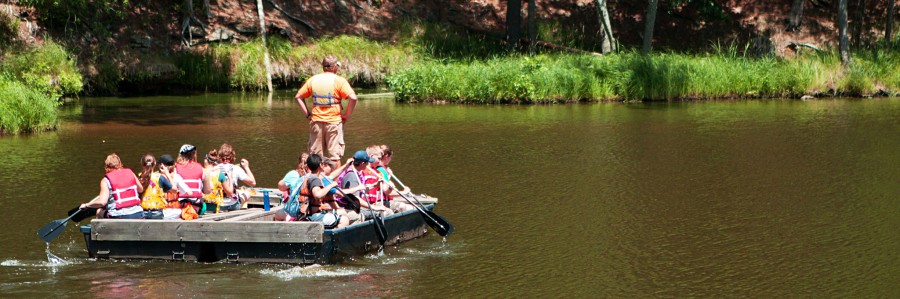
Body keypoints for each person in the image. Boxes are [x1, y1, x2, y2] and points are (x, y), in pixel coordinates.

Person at [294, 55, 359, 164]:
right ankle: (336, 180)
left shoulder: (313, 80)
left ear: (323, 67)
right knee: (335, 157)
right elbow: (353, 98)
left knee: (315, 157)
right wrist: (346, 116)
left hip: (316, 122)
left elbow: (298, 97)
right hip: (334, 123)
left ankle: (315, 179)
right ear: (334, 67)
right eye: (337, 66)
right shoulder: (339, 81)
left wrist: (308, 115)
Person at [78, 153, 145, 219]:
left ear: (106, 167)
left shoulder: (105, 180)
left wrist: (87, 205)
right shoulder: (130, 173)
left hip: (119, 216)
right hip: (138, 213)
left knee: (99, 212)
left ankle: (100, 230)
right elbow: (140, 189)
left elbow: (102, 202)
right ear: (120, 164)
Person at [277, 154, 333, 222]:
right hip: (307, 213)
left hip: (297, 210)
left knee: (277, 215)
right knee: (342, 218)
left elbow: (280, 186)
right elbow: (317, 195)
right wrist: (332, 185)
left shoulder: (302, 177)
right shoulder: (313, 178)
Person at [338, 150, 393, 219]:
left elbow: (361, 191)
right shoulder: (352, 176)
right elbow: (356, 199)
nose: (368, 165)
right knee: (387, 212)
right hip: (350, 209)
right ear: (362, 163)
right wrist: (374, 207)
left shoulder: (356, 173)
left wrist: (375, 185)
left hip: (355, 207)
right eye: (367, 163)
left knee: (386, 210)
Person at [368, 145, 413, 213]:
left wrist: (388, 176)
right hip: (380, 202)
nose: (390, 159)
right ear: (386, 157)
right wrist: (404, 192)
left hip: (376, 201)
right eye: (390, 157)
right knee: (409, 207)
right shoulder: (381, 170)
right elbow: (387, 192)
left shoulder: (375, 168)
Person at [174, 144, 211, 216]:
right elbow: (207, 191)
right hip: (197, 208)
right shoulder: (202, 169)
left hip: (180, 207)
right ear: (194, 155)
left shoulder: (175, 168)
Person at [216, 143, 255, 211]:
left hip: (218, 206)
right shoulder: (236, 168)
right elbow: (253, 183)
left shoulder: (214, 168)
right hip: (233, 206)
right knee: (247, 193)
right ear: (232, 157)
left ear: (219, 157)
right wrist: (246, 167)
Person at [201, 149, 231, 213]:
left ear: (206, 160)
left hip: (202, 207)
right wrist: (230, 178)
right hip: (215, 208)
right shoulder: (220, 174)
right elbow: (229, 192)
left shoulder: (201, 172)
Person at [137, 154, 166, 219]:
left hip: (143, 211)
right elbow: (174, 189)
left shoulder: (139, 177)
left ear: (142, 164)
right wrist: (166, 173)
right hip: (157, 211)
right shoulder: (159, 177)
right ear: (155, 164)